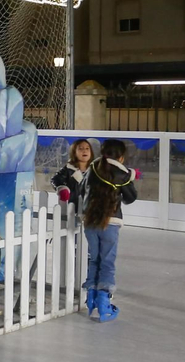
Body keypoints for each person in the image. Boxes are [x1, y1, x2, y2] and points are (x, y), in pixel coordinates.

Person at [80, 139, 137, 322]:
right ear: (121, 157)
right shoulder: (122, 173)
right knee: (107, 262)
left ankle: (91, 298)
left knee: (94, 259)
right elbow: (131, 197)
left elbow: (81, 190)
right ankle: (104, 304)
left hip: (90, 221)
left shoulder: (92, 169)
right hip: (110, 223)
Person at [50, 138, 93, 216]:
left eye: (87, 148)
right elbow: (55, 179)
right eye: (81, 148)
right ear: (74, 152)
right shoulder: (69, 169)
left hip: (91, 208)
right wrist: (62, 188)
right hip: (73, 208)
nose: (84, 151)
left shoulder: (95, 169)